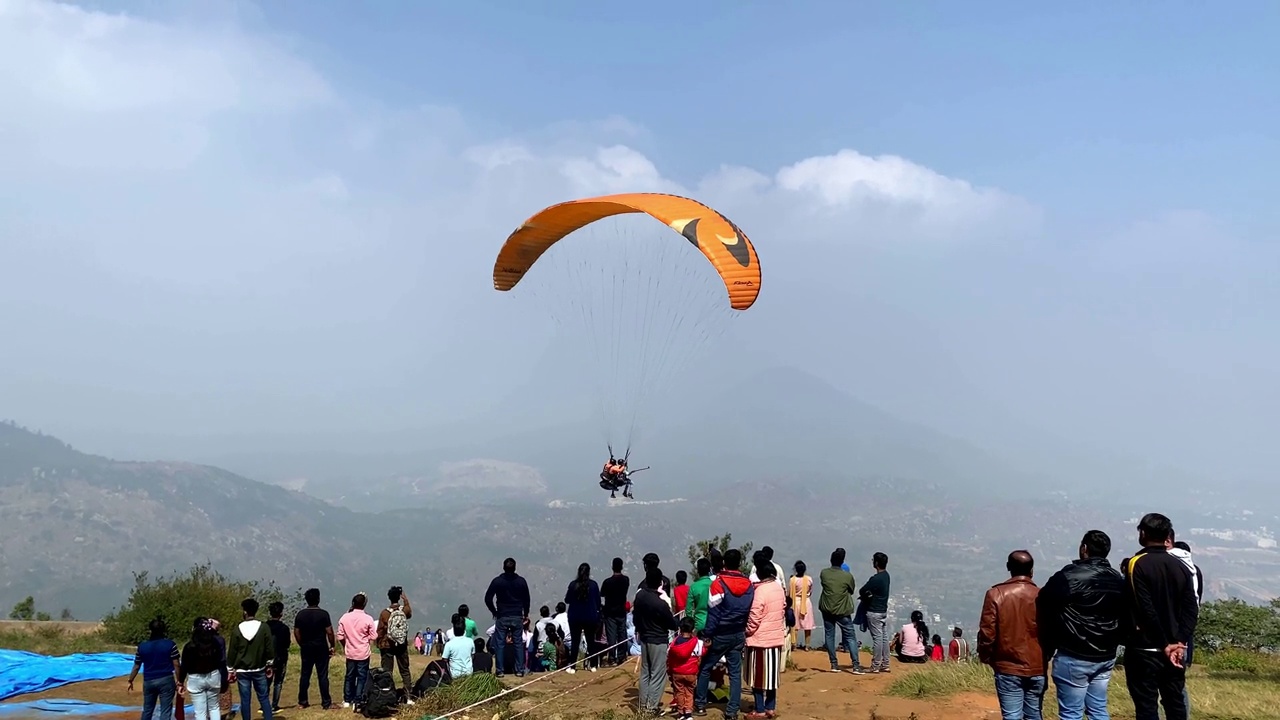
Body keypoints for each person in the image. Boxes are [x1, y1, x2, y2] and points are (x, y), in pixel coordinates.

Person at [1036, 529, 1124, 720]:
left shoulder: (1069, 576)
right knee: (1098, 709)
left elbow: (1044, 601)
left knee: (1071, 713)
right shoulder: (1117, 579)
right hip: (1106, 654)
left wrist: (1050, 640)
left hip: (1074, 653)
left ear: (1084, 549)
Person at [1121, 513, 1198, 720]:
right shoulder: (1181, 566)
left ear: (1143, 534)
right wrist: (1179, 641)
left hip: (1145, 648)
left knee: (1146, 706)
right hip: (1176, 651)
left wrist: (1165, 643)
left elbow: (1145, 608)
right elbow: (1192, 609)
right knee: (1175, 703)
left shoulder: (1136, 563)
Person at [978, 551, 1046, 720]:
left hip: (1007, 666)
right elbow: (1050, 631)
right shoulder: (1042, 596)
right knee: (1034, 715)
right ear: (1032, 570)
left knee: (1012, 716)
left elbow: (988, 632)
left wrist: (986, 656)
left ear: (1008, 567)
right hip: (1037, 667)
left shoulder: (996, 594)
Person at [694, 548, 755, 720]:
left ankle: (700, 705)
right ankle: (732, 711)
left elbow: (713, 613)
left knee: (705, 668)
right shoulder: (748, 585)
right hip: (738, 633)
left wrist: (707, 635)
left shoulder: (718, 583)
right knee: (735, 673)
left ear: (724, 563)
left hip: (719, 634)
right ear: (740, 563)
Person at [635, 566, 679, 715]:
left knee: (645, 673)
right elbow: (672, 624)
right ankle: (651, 707)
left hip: (645, 638)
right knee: (658, 674)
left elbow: (635, 618)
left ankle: (642, 705)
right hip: (658, 639)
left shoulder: (640, 597)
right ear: (660, 582)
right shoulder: (660, 603)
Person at [745, 558, 786, 720]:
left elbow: (755, 615)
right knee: (771, 677)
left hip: (760, 640)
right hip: (775, 638)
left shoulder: (760, 591)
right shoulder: (778, 588)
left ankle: (760, 709)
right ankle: (770, 707)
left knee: (757, 677)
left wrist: (748, 631)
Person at [227, 598, 276, 720]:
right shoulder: (263, 627)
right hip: (259, 668)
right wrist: (270, 664)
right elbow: (269, 648)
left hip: (242, 670)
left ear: (245, 612)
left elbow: (232, 650)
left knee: (245, 700)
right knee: (264, 698)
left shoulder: (237, 629)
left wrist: (230, 668)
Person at [485, 557, 532, 678]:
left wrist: (494, 611)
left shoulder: (498, 581)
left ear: (503, 567)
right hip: (517, 615)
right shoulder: (521, 581)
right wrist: (525, 613)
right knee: (518, 643)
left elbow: (488, 598)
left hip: (502, 615)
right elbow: (527, 599)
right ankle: (519, 670)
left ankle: (500, 670)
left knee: (500, 644)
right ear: (515, 568)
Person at [818, 548, 863, 674]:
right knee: (850, 637)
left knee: (829, 635)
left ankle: (833, 664)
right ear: (842, 561)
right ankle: (855, 666)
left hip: (827, 608)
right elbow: (851, 590)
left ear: (830, 560)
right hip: (842, 610)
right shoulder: (847, 576)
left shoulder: (824, 573)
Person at [128, 617, 180, 720]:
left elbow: (136, 666)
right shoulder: (170, 644)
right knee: (165, 710)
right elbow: (176, 664)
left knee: (147, 709)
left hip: (149, 681)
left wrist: (130, 680)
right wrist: (180, 680)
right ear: (164, 630)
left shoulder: (142, 646)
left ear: (150, 630)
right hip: (166, 679)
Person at [293, 588, 335, 711]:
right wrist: (331, 645)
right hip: (321, 647)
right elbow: (329, 632)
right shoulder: (323, 614)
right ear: (318, 599)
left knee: (305, 674)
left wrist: (302, 644)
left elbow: (296, 632)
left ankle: (303, 701)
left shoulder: (301, 614)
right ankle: (326, 702)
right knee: (322, 675)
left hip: (306, 647)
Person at [336, 592, 378, 711]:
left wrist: (346, 645)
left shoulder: (345, 617)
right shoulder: (368, 619)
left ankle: (347, 699)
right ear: (364, 604)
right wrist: (365, 639)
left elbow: (340, 636)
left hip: (350, 652)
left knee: (349, 676)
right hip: (363, 652)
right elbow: (374, 636)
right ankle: (358, 699)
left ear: (353, 603)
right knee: (361, 677)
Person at [180, 618, 228, 720]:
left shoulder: (189, 646)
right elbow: (221, 662)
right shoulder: (215, 644)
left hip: (195, 679)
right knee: (214, 708)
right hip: (213, 677)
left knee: (200, 712)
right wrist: (224, 680)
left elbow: (184, 666)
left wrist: (180, 681)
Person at [374, 586, 414, 704]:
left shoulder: (385, 613)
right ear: (399, 597)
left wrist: (379, 643)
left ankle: (388, 696)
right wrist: (405, 600)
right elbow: (409, 613)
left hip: (387, 645)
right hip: (401, 644)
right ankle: (408, 697)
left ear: (389, 598)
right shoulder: (403, 611)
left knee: (387, 671)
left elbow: (380, 631)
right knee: (405, 670)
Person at [562, 562, 602, 674]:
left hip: (575, 616)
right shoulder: (593, 585)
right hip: (590, 616)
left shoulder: (573, 585)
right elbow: (598, 602)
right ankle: (593, 665)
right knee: (591, 641)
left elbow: (567, 600)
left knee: (575, 641)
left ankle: (573, 667)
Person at [860, 552, 891, 673]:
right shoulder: (886, 576)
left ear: (876, 563)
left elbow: (863, 590)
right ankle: (885, 663)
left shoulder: (876, 579)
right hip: (883, 610)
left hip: (874, 611)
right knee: (883, 637)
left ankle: (876, 665)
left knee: (877, 638)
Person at [668, 617, 703, 720]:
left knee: (679, 692)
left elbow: (669, 656)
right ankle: (688, 713)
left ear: (680, 628)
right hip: (691, 673)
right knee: (690, 692)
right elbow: (702, 652)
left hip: (677, 672)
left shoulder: (674, 643)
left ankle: (681, 713)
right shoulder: (697, 643)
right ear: (693, 630)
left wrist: (670, 670)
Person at [601, 558, 631, 666]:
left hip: (610, 612)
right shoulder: (625, 580)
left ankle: (612, 658)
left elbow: (602, 594)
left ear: (612, 567)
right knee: (622, 633)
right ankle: (622, 656)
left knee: (611, 635)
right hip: (621, 611)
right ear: (622, 567)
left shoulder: (607, 582)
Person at [265, 601, 291, 713]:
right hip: (281, 657)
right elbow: (287, 644)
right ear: (281, 614)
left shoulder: (265, 627)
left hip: (266, 658)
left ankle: (264, 704)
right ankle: (274, 705)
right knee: (278, 682)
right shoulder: (284, 628)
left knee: (266, 681)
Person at [788, 561, 815, 652]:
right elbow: (810, 591)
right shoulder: (809, 579)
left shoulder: (792, 580)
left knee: (795, 625)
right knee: (807, 625)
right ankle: (807, 645)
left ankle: (793, 644)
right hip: (806, 602)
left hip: (795, 602)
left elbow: (789, 592)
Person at [687, 558, 713, 633]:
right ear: (709, 570)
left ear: (698, 571)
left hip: (699, 624)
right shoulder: (715, 585)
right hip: (713, 623)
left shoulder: (693, 587)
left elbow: (688, 609)